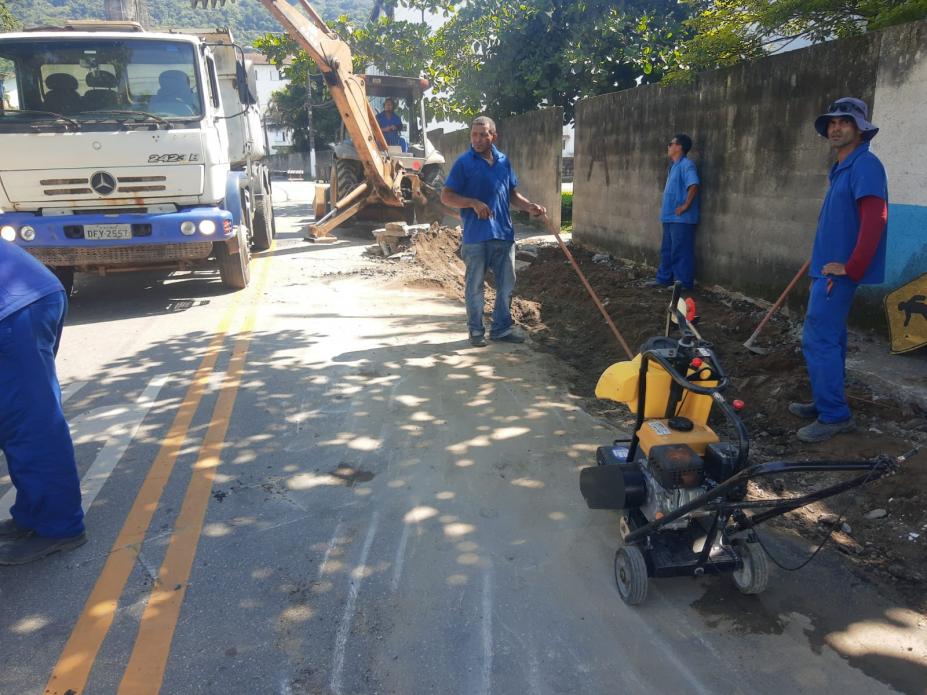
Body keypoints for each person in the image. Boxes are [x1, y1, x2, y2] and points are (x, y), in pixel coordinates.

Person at [790, 97, 888, 443]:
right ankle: (825, 399)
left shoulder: (866, 166)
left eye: (844, 122)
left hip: (838, 275)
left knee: (818, 338)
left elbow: (876, 217)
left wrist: (852, 266)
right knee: (833, 339)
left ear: (860, 129)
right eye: (832, 122)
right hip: (825, 268)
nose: (836, 127)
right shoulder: (843, 168)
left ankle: (834, 415)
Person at [0, 240, 86, 564]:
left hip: (15, 310)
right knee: (18, 419)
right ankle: (32, 514)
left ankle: (60, 527)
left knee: (28, 424)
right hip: (28, 296)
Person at [440, 116, 546, 347]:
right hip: (476, 238)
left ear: (493, 137)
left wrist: (529, 206)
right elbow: (446, 196)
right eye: (473, 135)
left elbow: (511, 194)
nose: (477, 139)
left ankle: (500, 329)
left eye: (482, 135)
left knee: (507, 285)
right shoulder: (463, 163)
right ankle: (476, 331)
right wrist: (472, 203)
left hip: (503, 235)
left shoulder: (503, 162)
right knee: (475, 286)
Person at [648, 133, 700, 289]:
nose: (668, 147)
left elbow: (694, 185)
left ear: (679, 147)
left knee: (681, 251)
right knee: (667, 250)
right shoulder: (673, 167)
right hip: (669, 217)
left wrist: (685, 206)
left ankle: (683, 283)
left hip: (682, 219)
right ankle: (664, 279)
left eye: (671, 144)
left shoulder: (687, 165)